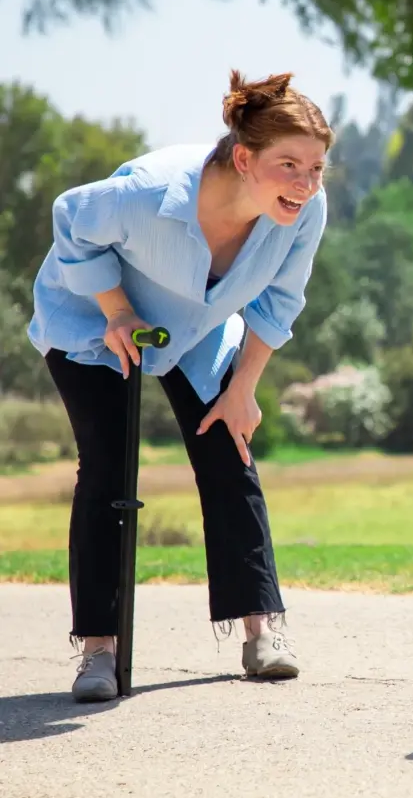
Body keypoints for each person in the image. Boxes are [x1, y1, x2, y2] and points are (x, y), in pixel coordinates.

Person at [27, 68, 334, 702]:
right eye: (289, 165)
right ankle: (99, 652)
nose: (305, 184)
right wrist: (115, 310)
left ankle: (261, 632)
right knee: (109, 469)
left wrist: (243, 387)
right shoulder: (150, 194)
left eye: (317, 167)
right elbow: (70, 218)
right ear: (245, 158)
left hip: (194, 330)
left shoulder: (302, 212)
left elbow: (279, 301)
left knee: (230, 450)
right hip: (94, 323)